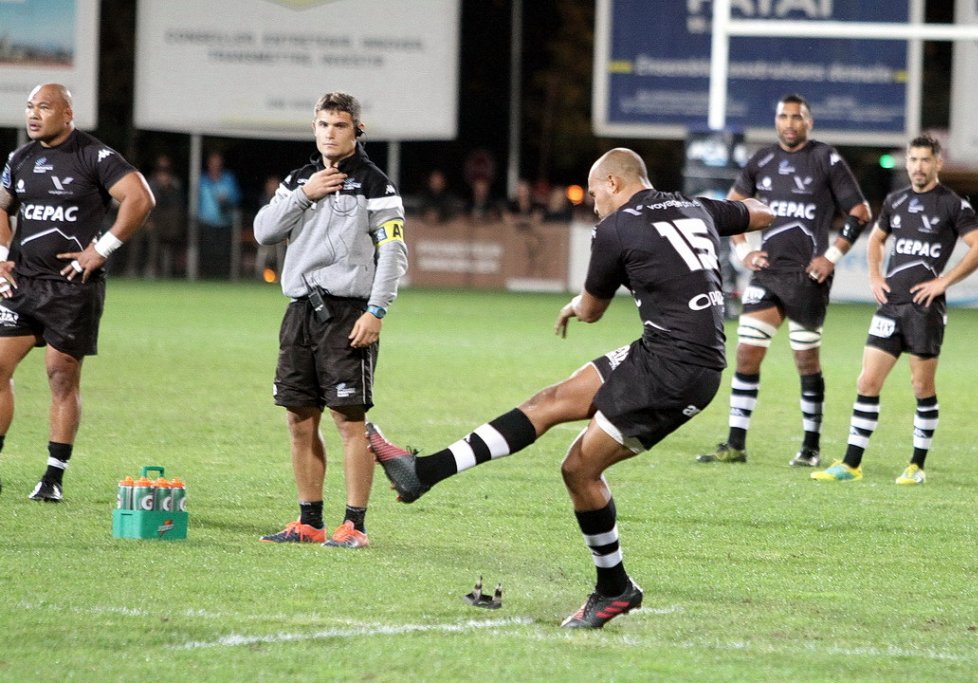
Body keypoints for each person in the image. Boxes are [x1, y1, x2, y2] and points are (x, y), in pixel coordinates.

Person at [367, 148, 774, 628]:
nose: (593, 203)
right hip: (666, 350)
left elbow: (594, 309)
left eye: (596, 191)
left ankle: (614, 587)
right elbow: (761, 212)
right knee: (550, 400)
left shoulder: (616, 229)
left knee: (579, 468)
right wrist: (743, 245)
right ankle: (423, 472)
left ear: (616, 184)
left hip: (675, 369)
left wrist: (573, 306)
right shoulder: (694, 205)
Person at [254, 91, 408, 548]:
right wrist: (304, 194)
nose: (329, 133)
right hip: (300, 311)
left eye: (339, 125)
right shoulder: (300, 180)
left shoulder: (376, 185)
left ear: (357, 130)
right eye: (322, 124)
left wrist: (376, 311)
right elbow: (264, 231)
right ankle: (309, 521)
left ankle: (354, 525)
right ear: (314, 128)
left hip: (347, 313)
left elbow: (393, 253)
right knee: (300, 418)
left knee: (348, 420)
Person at [696, 93, 872, 468]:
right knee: (745, 354)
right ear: (776, 121)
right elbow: (732, 208)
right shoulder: (762, 160)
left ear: (809, 122)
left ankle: (810, 446)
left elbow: (860, 211)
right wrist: (744, 252)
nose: (790, 123)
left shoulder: (826, 158)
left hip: (808, 276)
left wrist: (832, 256)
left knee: (805, 362)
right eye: (784, 116)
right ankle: (735, 443)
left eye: (797, 117)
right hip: (769, 274)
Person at [0, 83, 154, 501]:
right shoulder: (20, 158)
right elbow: (0, 203)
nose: (33, 114)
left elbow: (139, 198)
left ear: (67, 114)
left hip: (72, 289)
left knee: (61, 377)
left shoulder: (94, 156)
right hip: (22, 285)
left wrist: (101, 250)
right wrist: (1, 253)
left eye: (44, 107)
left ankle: (53, 476)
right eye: (30, 107)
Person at [811, 135, 978, 484]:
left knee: (921, 386)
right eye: (913, 160)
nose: (918, 167)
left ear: (937, 163)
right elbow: (877, 238)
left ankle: (917, 466)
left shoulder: (952, 204)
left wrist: (944, 282)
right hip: (891, 306)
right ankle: (850, 464)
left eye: (925, 160)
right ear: (906, 163)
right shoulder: (896, 201)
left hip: (925, 308)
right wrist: (875, 275)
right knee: (867, 381)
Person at [196, 150, 241, 279]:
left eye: (218, 163)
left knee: (223, 252)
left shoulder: (229, 179)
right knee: (207, 251)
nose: (215, 166)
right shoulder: (202, 180)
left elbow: (237, 197)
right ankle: (206, 276)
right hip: (206, 222)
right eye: (213, 163)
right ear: (209, 164)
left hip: (225, 222)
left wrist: (227, 200)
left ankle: (222, 276)